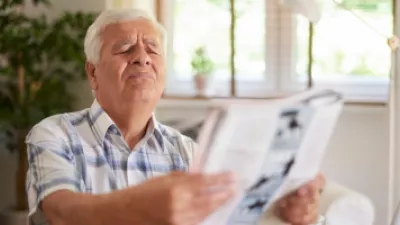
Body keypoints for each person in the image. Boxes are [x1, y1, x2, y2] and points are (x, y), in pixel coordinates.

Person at [25, 8, 325, 225]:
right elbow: (59, 212)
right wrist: (143, 207)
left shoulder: (188, 152)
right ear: (93, 73)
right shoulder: (55, 134)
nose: (142, 56)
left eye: (152, 49)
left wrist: (289, 214)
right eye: (125, 48)